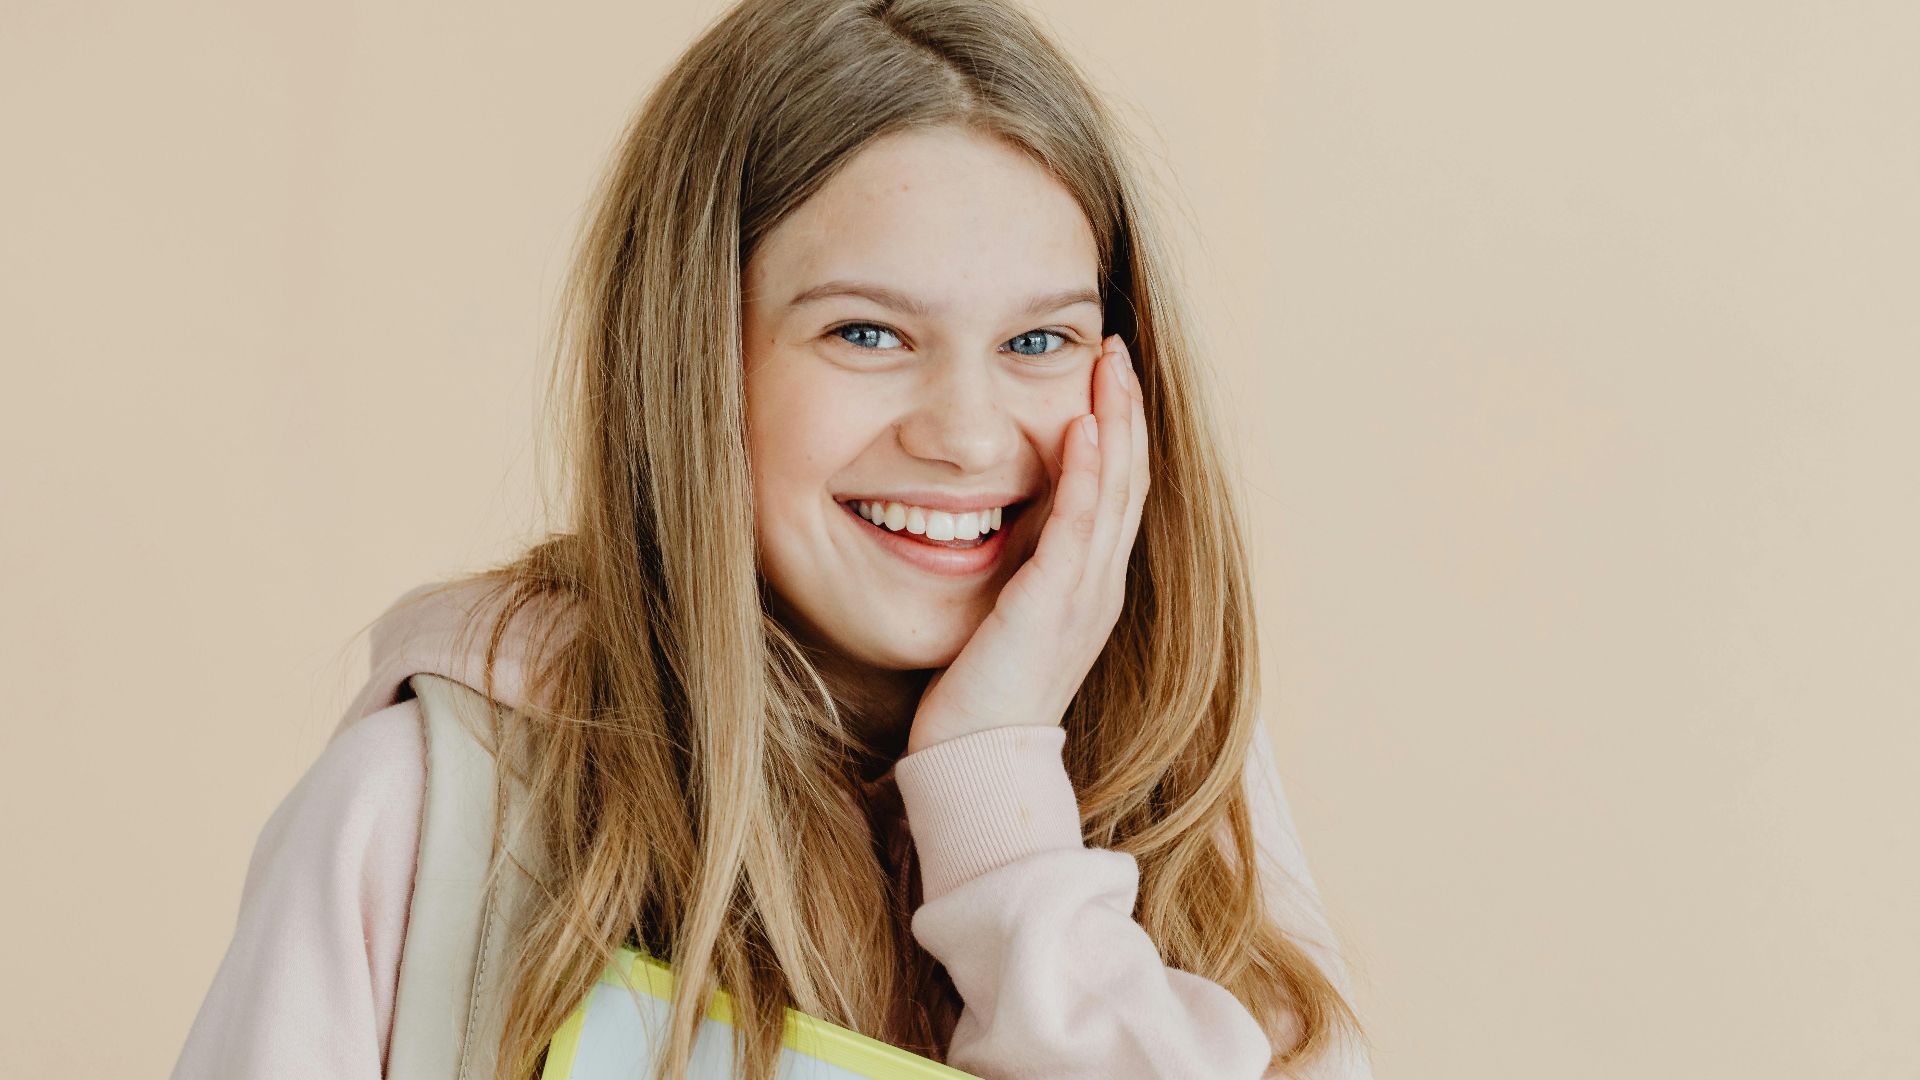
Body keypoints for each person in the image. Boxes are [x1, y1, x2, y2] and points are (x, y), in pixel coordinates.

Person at [170, 0, 1373, 1077]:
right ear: (695, 362)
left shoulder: (1192, 791)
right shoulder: (427, 810)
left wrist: (1000, 786)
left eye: (1039, 342)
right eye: (865, 334)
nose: (965, 434)